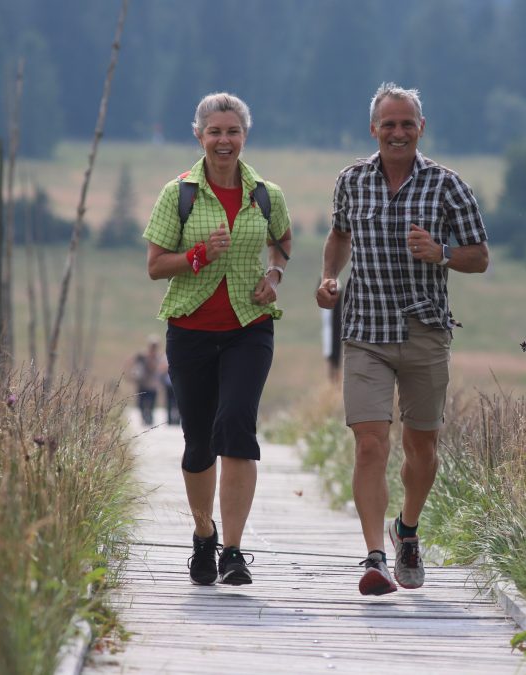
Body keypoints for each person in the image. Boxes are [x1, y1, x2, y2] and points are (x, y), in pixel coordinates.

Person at [315, 83, 489, 596]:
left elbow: (480, 256)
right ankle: (374, 557)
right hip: (366, 328)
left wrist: (441, 253)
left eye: (406, 123)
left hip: (424, 331)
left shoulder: (447, 186)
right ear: (374, 129)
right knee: (370, 443)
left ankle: (406, 531)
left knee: (423, 449)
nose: (397, 132)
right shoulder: (352, 180)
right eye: (388, 124)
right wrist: (329, 277)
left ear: (421, 128)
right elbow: (340, 234)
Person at [144, 92, 292, 586]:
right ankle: (203, 534)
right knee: (198, 441)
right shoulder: (178, 193)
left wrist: (273, 274)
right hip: (190, 331)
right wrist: (199, 254)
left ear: (244, 136)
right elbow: (154, 265)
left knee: (237, 427)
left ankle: (233, 550)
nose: (224, 141)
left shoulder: (266, 194)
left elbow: (283, 242)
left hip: (250, 327)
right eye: (215, 132)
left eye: (232, 132)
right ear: (199, 135)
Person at [130, 336, 160, 426]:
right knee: (141, 403)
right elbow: (132, 362)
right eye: (152, 345)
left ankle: (149, 417)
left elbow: (156, 368)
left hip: (153, 384)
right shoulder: (142, 355)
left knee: (151, 403)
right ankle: (144, 417)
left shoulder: (158, 357)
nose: (153, 347)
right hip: (143, 383)